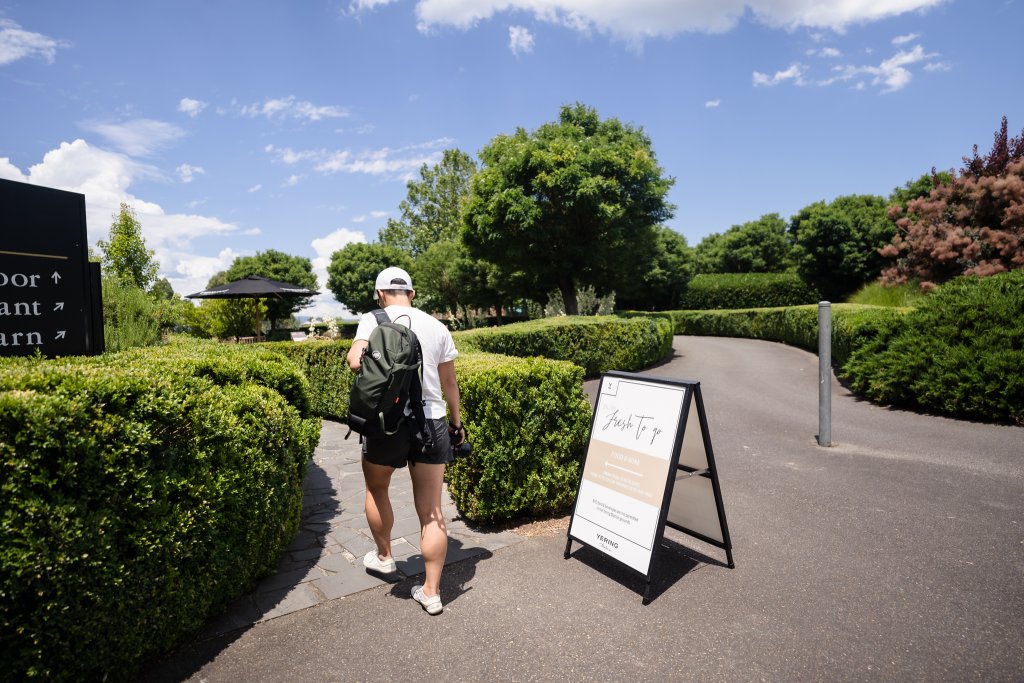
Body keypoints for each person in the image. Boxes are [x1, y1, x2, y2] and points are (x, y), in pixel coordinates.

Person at [346, 266, 465, 616]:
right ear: (412, 294)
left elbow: (355, 362)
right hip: (432, 423)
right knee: (431, 511)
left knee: (376, 489)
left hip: (388, 424)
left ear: (381, 293)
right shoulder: (438, 326)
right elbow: (450, 385)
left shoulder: (372, 319)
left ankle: (384, 557)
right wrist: (456, 425)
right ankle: (431, 592)